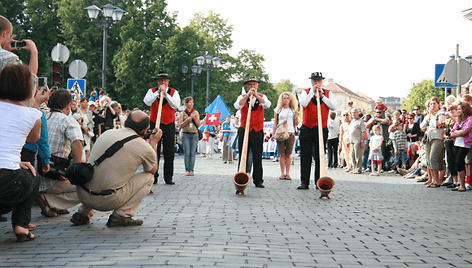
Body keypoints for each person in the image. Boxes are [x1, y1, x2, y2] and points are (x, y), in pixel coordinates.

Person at [70, 111, 162, 227]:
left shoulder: (107, 133)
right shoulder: (144, 147)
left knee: (101, 171)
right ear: (145, 130)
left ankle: (84, 212)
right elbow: (152, 170)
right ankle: (122, 215)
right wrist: (153, 143)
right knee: (148, 178)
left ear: (125, 124)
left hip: (82, 194)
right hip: (107, 200)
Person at [0, 63, 42, 242]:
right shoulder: (33, 115)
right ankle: (21, 226)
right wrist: (34, 103)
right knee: (33, 175)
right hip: (9, 183)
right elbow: (32, 139)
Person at [38, 89, 84, 217]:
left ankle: (52, 203)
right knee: (89, 187)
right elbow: (77, 143)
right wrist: (78, 169)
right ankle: (50, 201)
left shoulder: (42, 117)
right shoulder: (68, 121)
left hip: (37, 171)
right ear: (68, 105)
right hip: (54, 173)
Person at [297, 72, 337, 189]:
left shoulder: (328, 93)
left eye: (319, 81)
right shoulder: (305, 91)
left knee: (320, 155)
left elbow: (333, 106)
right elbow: (303, 103)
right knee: (305, 155)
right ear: (311, 81)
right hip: (307, 128)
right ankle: (304, 182)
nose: (316, 83)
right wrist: (312, 93)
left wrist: (322, 96)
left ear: (322, 82)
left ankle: (319, 181)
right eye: (314, 80)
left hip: (321, 127)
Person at [234, 76, 271, 188]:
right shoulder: (242, 96)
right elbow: (237, 106)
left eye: (254, 84)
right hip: (244, 129)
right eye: (250, 85)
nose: (252, 87)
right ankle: (241, 177)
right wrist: (247, 95)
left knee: (257, 156)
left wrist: (256, 95)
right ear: (246, 86)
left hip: (257, 130)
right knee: (243, 154)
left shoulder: (262, 96)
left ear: (257, 86)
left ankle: (258, 180)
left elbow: (267, 105)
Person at [143, 71, 180, 185]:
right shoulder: (152, 91)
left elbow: (176, 105)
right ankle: (154, 175)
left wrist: (166, 94)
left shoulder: (173, 92)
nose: (162, 82)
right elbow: (147, 102)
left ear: (168, 81)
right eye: (160, 80)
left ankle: (168, 177)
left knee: (169, 150)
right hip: (155, 122)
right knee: (154, 149)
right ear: (158, 82)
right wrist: (157, 93)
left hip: (169, 123)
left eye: (164, 80)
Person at [272, 92, 299, 180]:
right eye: (284, 98)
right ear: (281, 99)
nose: (286, 100)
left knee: (288, 154)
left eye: (287, 98)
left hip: (290, 132)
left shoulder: (293, 109)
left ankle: (287, 173)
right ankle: (282, 173)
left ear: (290, 99)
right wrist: (273, 134)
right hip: (280, 133)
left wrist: (296, 115)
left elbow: (296, 123)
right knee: (282, 154)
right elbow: (275, 122)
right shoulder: (278, 109)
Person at [420, 97, 445, 188]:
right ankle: (433, 180)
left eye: (434, 103)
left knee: (433, 158)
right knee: (428, 160)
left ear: (438, 104)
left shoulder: (441, 114)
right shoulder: (429, 115)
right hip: (428, 139)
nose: (432, 106)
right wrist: (429, 117)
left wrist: (433, 116)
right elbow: (422, 126)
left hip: (437, 138)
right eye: (431, 104)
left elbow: (437, 125)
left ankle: (438, 181)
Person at [449, 101, 472, 192]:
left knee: (459, 161)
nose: (458, 111)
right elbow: (451, 132)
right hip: (457, 143)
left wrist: (456, 133)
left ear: (465, 110)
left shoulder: (470, 119)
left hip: (465, 144)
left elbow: (465, 131)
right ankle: (460, 184)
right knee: (457, 163)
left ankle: (463, 185)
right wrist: (457, 133)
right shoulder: (459, 120)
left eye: (459, 109)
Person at [179, 96, 200, 176]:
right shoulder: (182, 113)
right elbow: (181, 125)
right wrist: (187, 120)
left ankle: (192, 170)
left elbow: (199, 125)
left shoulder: (196, 112)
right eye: (190, 102)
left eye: (192, 102)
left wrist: (195, 119)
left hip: (194, 134)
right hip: (185, 134)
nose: (192, 104)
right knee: (187, 153)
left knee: (192, 153)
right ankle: (187, 170)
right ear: (186, 104)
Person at [348, 108, 367, 174]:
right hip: (352, 140)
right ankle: (354, 168)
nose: (353, 114)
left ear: (358, 113)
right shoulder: (352, 121)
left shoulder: (360, 121)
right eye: (352, 112)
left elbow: (363, 132)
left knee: (358, 155)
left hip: (357, 140)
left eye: (355, 112)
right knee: (352, 155)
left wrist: (362, 141)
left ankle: (359, 169)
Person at [78, 97, 94, 161]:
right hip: (80, 131)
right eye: (83, 102)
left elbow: (91, 122)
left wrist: (88, 128)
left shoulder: (89, 112)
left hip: (87, 133)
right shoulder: (77, 111)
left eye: (86, 102)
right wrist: (83, 128)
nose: (85, 104)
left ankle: (86, 162)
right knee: (81, 149)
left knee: (87, 150)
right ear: (81, 103)